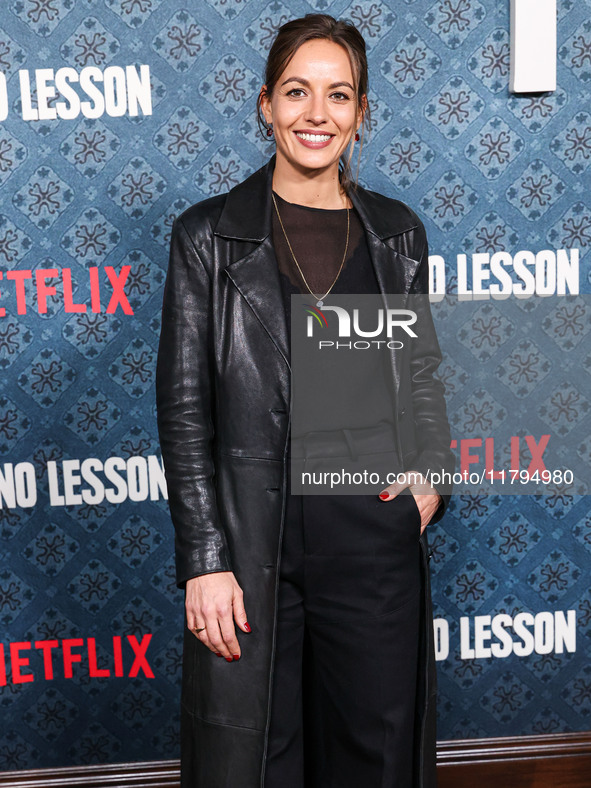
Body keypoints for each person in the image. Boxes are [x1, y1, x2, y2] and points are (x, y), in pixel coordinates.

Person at [156, 13, 454, 788]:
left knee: (374, 756)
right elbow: (185, 408)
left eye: (338, 95)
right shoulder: (208, 238)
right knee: (256, 762)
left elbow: (421, 378)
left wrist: (425, 484)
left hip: (370, 533)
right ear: (264, 103)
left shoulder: (397, 235)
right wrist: (205, 560)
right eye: (296, 91)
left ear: (361, 114)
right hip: (255, 540)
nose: (315, 114)